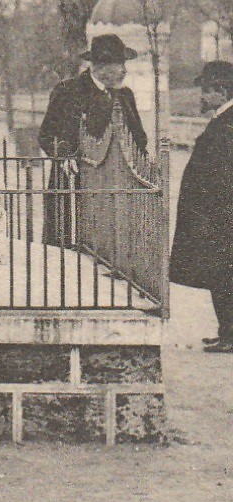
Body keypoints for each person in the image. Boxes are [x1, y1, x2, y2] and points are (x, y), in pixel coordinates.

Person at [38, 33, 147, 246]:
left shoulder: (125, 95)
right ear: (101, 66)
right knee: (69, 252)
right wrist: (64, 156)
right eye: (120, 64)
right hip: (72, 186)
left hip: (115, 188)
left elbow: (139, 139)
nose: (124, 70)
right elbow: (46, 135)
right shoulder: (68, 91)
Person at [169, 60, 233, 353]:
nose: (201, 98)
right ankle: (226, 331)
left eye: (206, 92)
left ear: (220, 91)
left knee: (224, 275)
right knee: (221, 275)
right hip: (218, 214)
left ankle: (230, 336)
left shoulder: (227, 123)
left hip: (221, 216)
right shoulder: (222, 119)